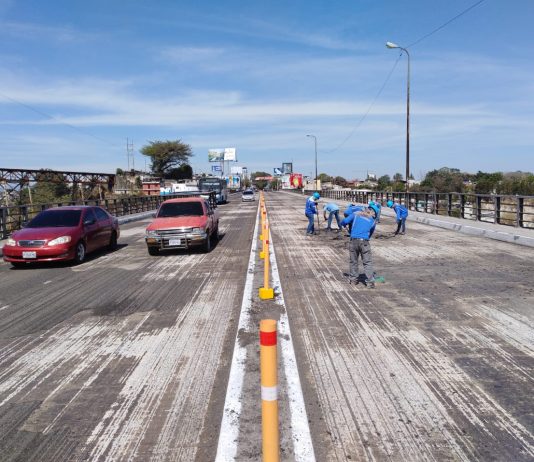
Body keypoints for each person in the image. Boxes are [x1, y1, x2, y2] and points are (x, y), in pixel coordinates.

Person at [340, 207, 378, 288]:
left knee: (353, 261)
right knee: (367, 262)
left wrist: (343, 224)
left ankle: (353, 280)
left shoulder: (355, 214)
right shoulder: (372, 221)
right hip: (365, 242)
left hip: (353, 241)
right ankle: (370, 282)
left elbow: (344, 221)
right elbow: (370, 233)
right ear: (372, 213)